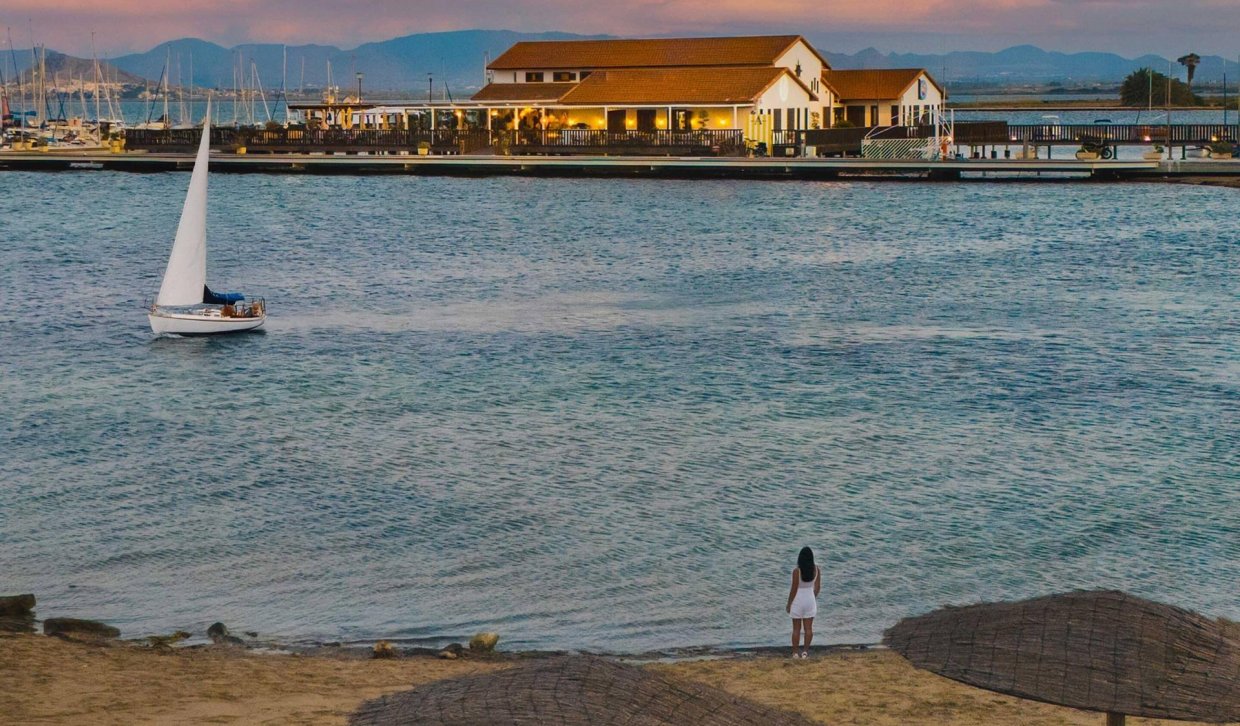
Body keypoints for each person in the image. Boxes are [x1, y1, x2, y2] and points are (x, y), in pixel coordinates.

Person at [785, 546, 820, 659]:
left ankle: (795, 652)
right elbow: (818, 587)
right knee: (808, 628)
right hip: (810, 600)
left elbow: (794, 589)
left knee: (796, 629)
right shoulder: (816, 570)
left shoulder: (797, 571)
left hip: (798, 600)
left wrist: (789, 603)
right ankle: (805, 652)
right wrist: (812, 597)